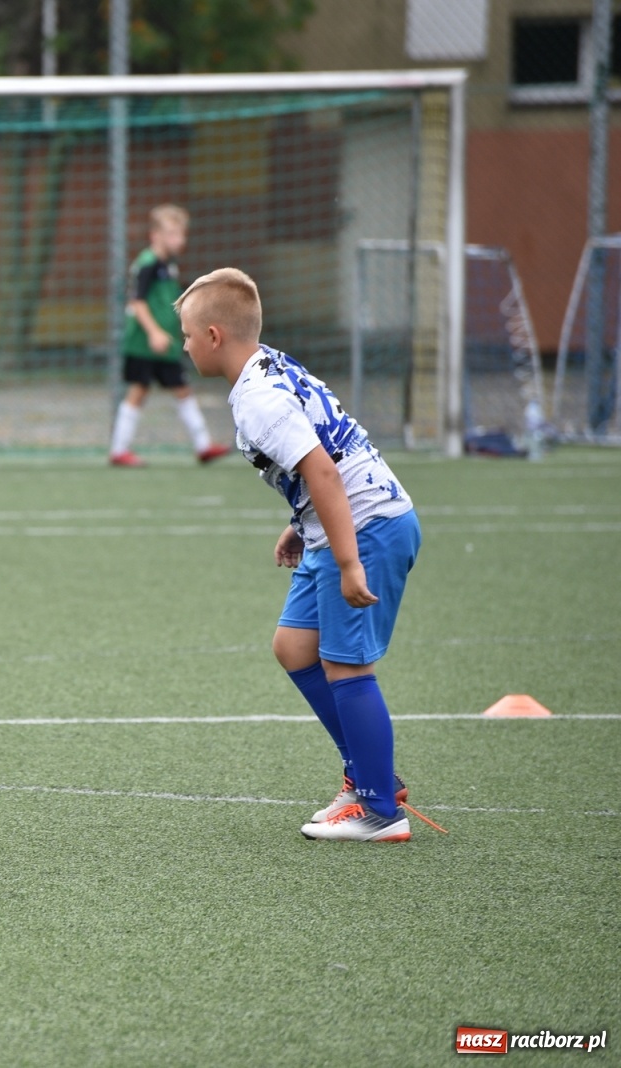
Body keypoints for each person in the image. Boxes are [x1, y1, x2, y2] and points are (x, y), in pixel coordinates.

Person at [177, 267, 420, 842]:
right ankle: (368, 772)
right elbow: (317, 455)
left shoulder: (258, 400)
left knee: (345, 664)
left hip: (365, 527)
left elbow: (324, 470)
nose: (183, 345)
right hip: (331, 526)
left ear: (213, 337)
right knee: (293, 646)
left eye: (187, 334)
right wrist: (298, 522)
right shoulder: (266, 365)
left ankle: (380, 809)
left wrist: (348, 562)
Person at [110, 204, 230, 467]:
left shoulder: (167, 266)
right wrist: (154, 333)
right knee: (139, 390)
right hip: (145, 343)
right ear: (156, 236)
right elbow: (137, 303)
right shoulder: (148, 264)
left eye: (182, 234)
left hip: (165, 343)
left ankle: (203, 446)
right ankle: (119, 450)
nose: (180, 240)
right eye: (174, 234)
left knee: (182, 388)